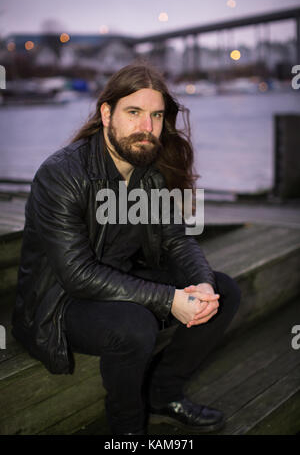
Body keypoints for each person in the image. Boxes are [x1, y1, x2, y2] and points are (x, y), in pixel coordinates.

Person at [12, 62, 241, 435]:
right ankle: (128, 429)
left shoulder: (147, 171)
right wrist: (169, 300)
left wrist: (201, 284)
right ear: (107, 113)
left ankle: (164, 394)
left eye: (155, 115)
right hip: (61, 302)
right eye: (133, 113)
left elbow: (176, 240)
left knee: (223, 290)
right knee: (135, 326)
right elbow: (77, 275)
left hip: (119, 281)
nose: (146, 128)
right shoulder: (62, 174)